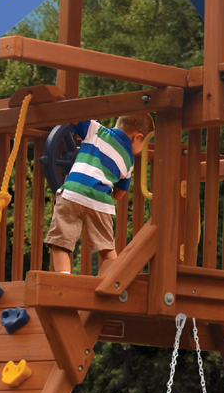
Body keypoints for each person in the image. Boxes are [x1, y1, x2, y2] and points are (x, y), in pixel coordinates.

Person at [44, 114, 148, 275]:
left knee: (60, 243)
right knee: (106, 248)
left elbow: (74, 116)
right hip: (100, 204)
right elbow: (119, 194)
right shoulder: (129, 161)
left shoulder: (95, 130)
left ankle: (64, 279)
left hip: (73, 194)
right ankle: (114, 280)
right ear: (138, 137)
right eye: (145, 144)